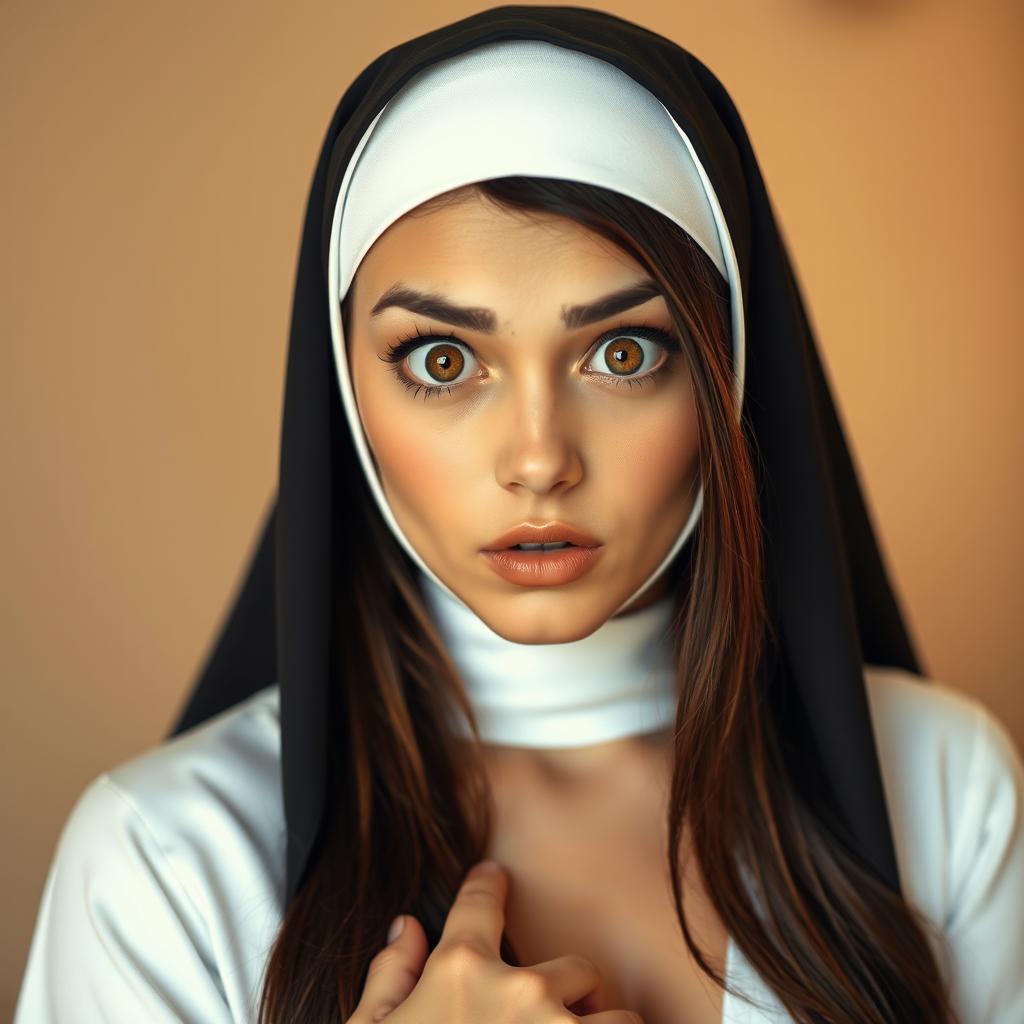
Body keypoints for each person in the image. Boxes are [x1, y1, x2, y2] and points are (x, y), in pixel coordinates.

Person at [14, 7, 1024, 1024]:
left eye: (623, 352)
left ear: (732, 375)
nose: (539, 459)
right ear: (345, 400)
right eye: (442, 360)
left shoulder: (943, 791)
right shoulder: (165, 863)